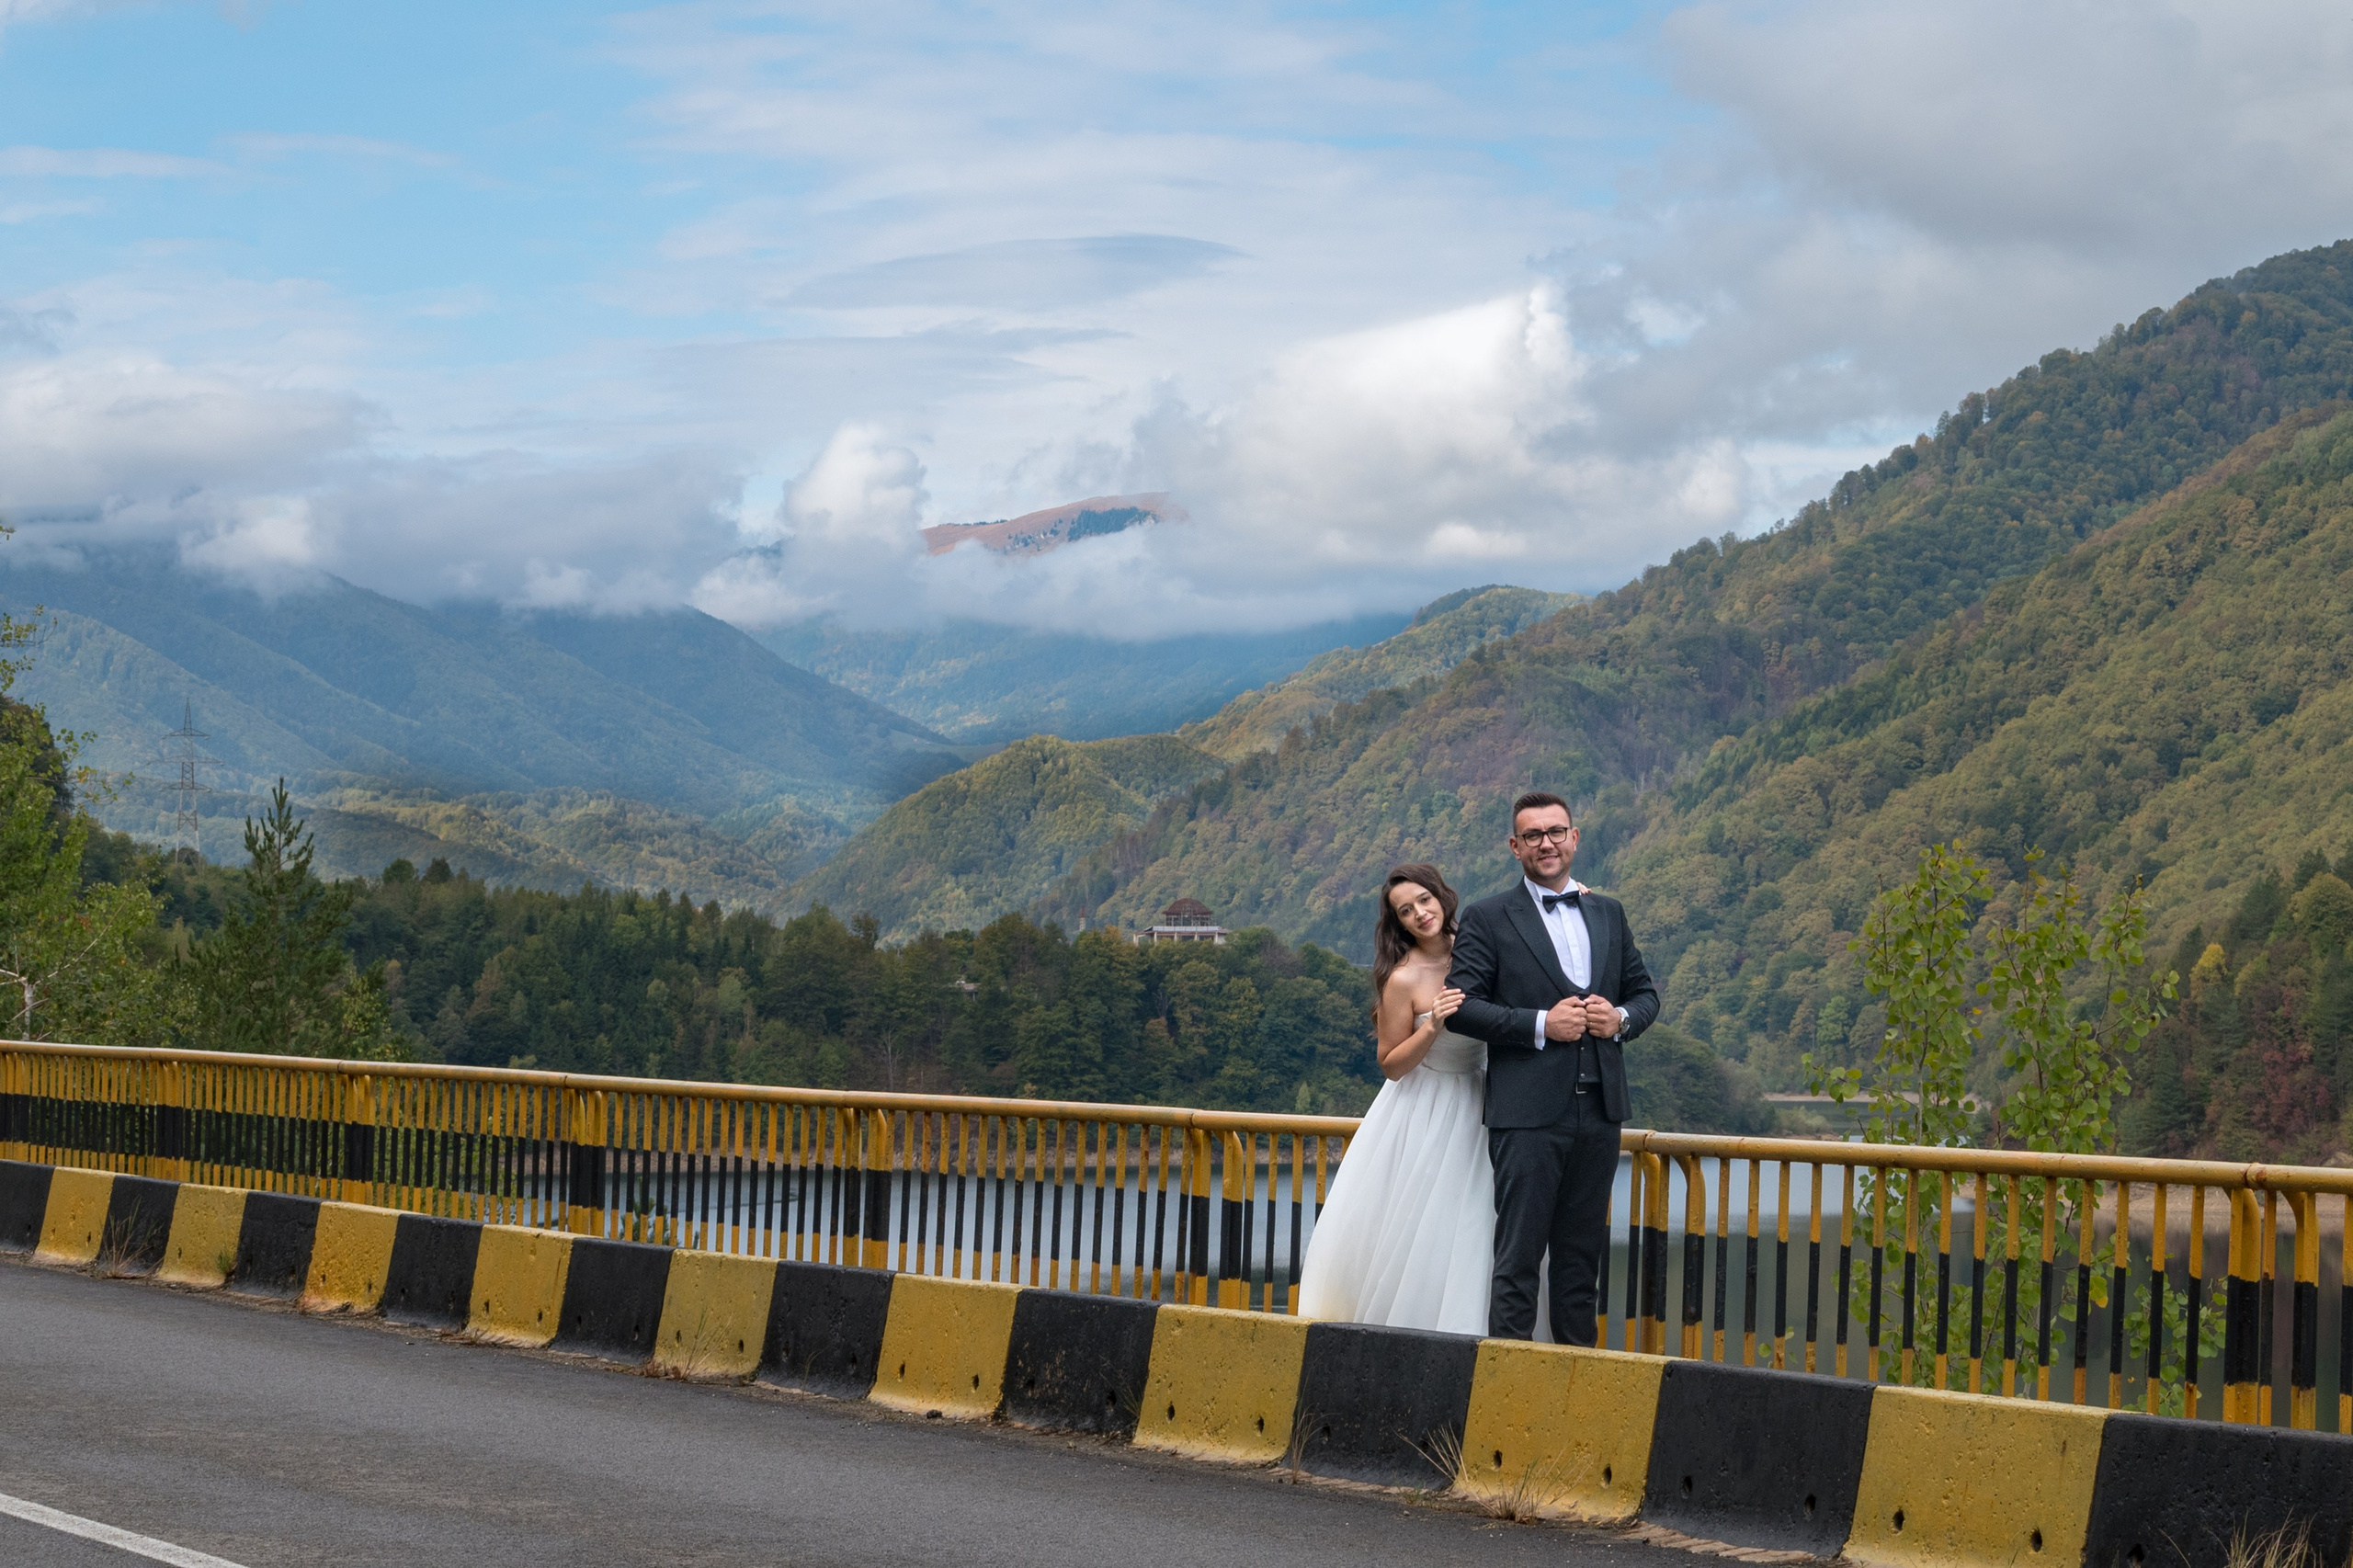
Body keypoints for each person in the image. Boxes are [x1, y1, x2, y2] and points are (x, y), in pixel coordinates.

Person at [1445, 790, 1660, 1346]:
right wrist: (1541, 1024)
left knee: (1580, 1264)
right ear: (1515, 846)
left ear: (1575, 838)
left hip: (1602, 1112)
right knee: (1517, 1262)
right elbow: (1460, 1006)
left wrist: (1620, 1020)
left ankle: (1577, 1397)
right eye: (1534, 835)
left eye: (1556, 832)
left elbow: (1644, 995)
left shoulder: (1609, 910)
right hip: (1527, 1116)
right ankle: (1508, 1397)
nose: (1547, 843)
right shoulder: (1488, 917)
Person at [1294, 863, 1498, 1335]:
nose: (1419, 914)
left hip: (1488, 1099)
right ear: (1398, 922)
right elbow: (1390, 1063)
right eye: (1405, 910)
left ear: (1442, 895)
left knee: (1483, 1226)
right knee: (1431, 1226)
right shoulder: (1402, 979)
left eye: (1424, 900)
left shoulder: (1482, 947)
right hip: (1429, 1108)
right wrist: (1433, 1025)